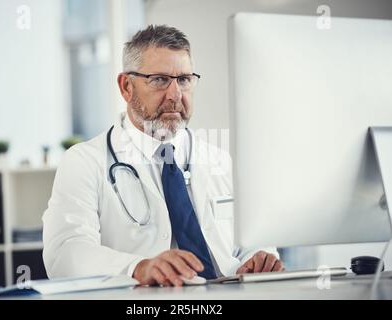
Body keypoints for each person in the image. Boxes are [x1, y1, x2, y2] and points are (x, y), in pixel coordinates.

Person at [43, 25, 284, 287]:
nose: (175, 95)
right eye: (159, 80)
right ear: (126, 87)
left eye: (184, 79)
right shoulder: (84, 162)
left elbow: (247, 244)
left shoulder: (219, 159)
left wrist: (261, 257)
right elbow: (65, 255)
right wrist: (138, 268)